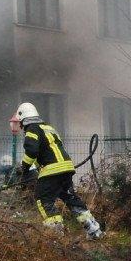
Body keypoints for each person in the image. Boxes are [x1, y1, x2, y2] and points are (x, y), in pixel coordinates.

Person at [15, 102, 103, 239]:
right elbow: (50, 149)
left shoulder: (32, 129)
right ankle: (94, 231)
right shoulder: (48, 127)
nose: (20, 126)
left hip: (52, 170)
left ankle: (56, 236)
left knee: (44, 200)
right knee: (71, 198)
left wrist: (24, 168)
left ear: (23, 118)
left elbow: (31, 151)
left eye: (19, 122)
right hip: (66, 168)